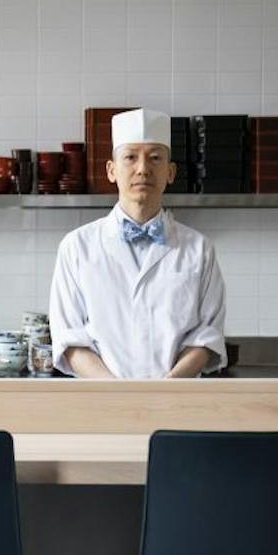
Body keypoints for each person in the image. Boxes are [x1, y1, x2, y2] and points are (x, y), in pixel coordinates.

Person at [48, 108, 227, 379]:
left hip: (175, 403)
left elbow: (207, 335)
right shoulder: (76, 247)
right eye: (130, 157)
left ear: (170, 172)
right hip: (103, 407)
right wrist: (119, 397)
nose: (143, 169)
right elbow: (70, 338)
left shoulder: (199, 249)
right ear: (111, 170)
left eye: (155, 158)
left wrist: (164, 392)